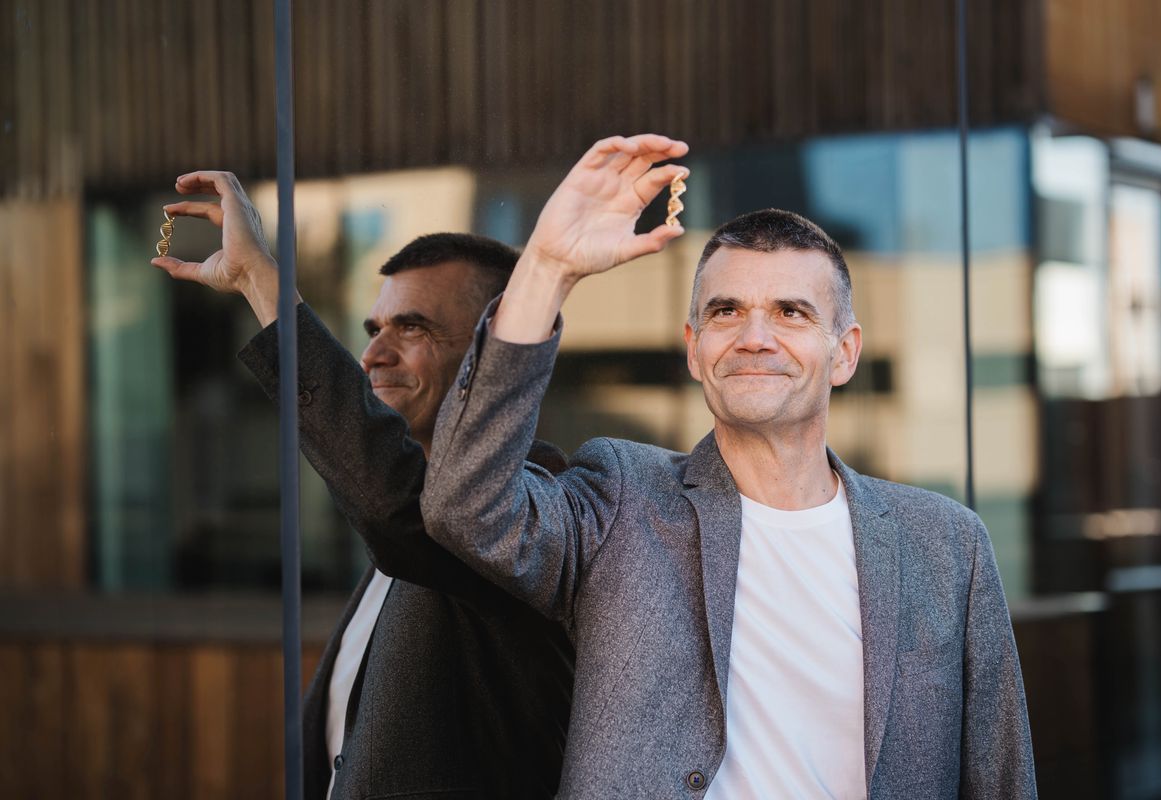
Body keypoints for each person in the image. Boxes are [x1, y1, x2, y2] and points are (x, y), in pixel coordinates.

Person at [417, 135, 1038, 798]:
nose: (754, 336)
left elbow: (999, 778)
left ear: (845, 353)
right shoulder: (620, 498)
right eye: (726, 311)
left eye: (791, 312)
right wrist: (544, 268)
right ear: (694, 347)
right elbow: (463, 508)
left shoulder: (947, 546)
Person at [150, 171, 573, 800]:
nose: (374, 355)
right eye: (375, 329)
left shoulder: (532, 514)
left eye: (413, 328)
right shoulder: (399, 525)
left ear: (497, 354)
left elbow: (398, 504)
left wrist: (258, 279)